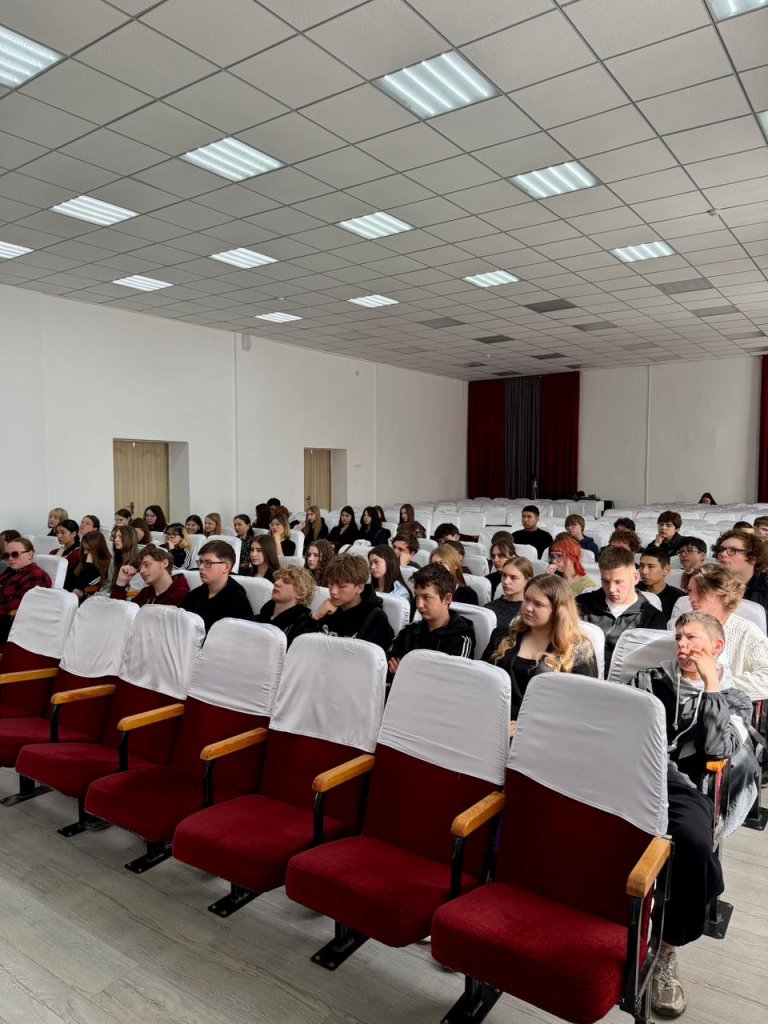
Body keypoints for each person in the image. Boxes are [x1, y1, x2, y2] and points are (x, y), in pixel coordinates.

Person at [628, 611, 755, 1018]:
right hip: (634, 772)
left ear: (717, 646)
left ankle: (667, 948)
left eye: (692, 638)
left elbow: (717, 749)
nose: (682, 645)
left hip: (686, 787)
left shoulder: (734, 699)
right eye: (678, 637)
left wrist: (711, 685)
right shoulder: (648, 679)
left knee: (696, 845)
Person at [485, 574, 597, 729]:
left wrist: (528, 725)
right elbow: (483, 682)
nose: (527, 607)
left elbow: (583, 708)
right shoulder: (502, 636)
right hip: (494, 722)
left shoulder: (579, 651)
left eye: (538, 604)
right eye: (526, 599)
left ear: (558, 611)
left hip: (546, 731)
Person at [576, 546, 667, 670]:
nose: (611, 589)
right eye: (605, 582)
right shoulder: (582, 604)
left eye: (618, 582)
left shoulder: (653, 619)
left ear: (635, 578)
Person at [685, 564, 768, 700]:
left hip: (729, 705)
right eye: (690, 591)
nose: (691, 598)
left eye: (700, 591)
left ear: (723, 595)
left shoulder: (747, 631)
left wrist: (719, 683)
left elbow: (765, 680)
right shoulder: (677, 626)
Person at [387, 564, 475, 675]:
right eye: (417, 597)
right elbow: (388, 662)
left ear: (447, 598)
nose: (419, 605)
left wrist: (407, 673)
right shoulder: (409, 630)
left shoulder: (461, 640)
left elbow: (450, 679)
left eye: (426, 598)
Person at [310, 554, 393, 650]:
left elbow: (372, 657)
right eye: (331, 584)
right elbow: (302, 645)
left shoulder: (375, 619)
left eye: (342, 586)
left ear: (360, 588)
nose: (333, 591)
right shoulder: (326, 608)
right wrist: (315, 616)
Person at [183, 539, 252, 634]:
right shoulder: (194, 594)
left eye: (208, 563)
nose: (201, 567)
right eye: (200, 562)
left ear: (226, 567)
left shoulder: (238, 600)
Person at [0, 538, 52, 642]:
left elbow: (18, 605)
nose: (10, 558)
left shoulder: (35, 575)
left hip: (13, 621)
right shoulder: (11, 570)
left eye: (15, 554)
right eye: (6, 555)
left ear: (30, 554)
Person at [112, 543, 190, 607]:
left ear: (165, 563)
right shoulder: (146, 592)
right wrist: (121, 584)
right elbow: (121, 615)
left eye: (147, 565)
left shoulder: (180, 594)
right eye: (140, 568)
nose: (141, 571)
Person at [256, 566, 317, 647]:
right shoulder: (262, 615)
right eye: (278, 579)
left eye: (286, 581)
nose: (276, 583)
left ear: (301, 593)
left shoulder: (301, 628)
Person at [714, 529, 768, 612]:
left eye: (732, 550)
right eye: (721, 549)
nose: (723, 554)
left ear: (753, 557)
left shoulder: (765, 589)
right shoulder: (707, 583)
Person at [485, 556, 533, 645]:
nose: (506, 581)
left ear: (528, 580)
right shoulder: (488, 608)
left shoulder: (530, 612)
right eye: (504, 575)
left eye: (513, 577)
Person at [638, 544, 685, 620]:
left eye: (651, 566)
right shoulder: (632, 590)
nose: (644, 571)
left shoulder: (678, 598)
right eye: (641, 565)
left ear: (667, 570)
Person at [66, 530, 111, 600]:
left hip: (93, 599)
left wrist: (88, 565)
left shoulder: (107, 565)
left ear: (97, 549)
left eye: (88, 549)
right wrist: (73, 589)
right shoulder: (82, 559)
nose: (85, 552)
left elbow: (83, 585)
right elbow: (68, 581)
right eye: (83, 548)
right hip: (74, 596)